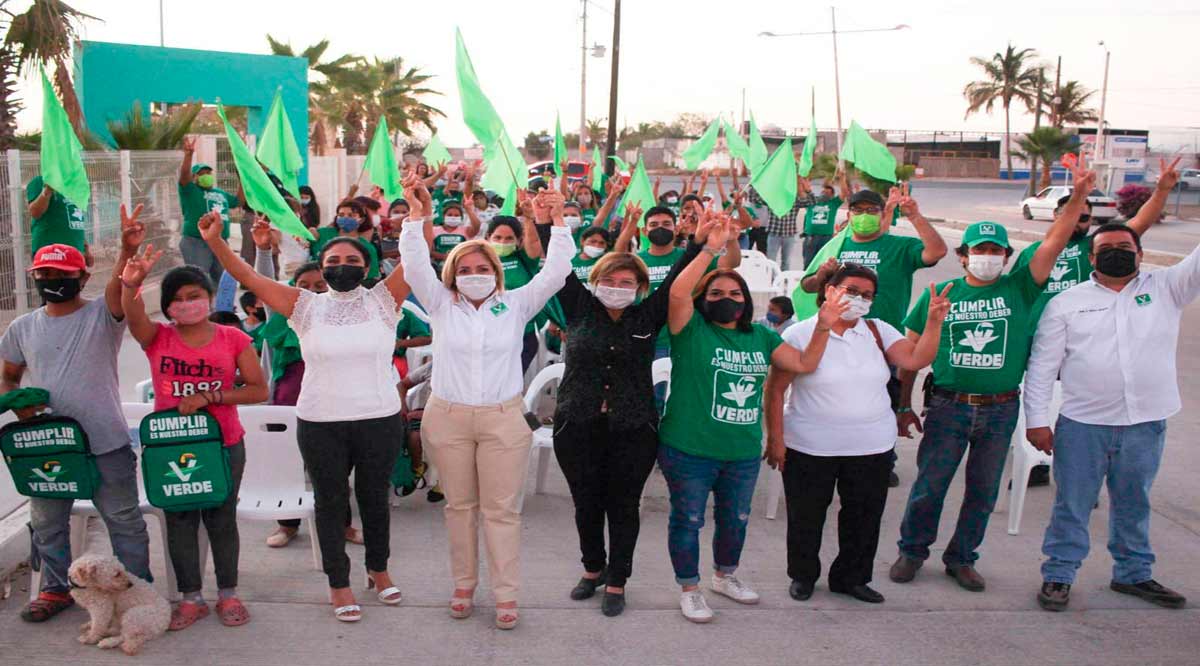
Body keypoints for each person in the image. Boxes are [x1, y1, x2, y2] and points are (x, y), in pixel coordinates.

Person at [888, 158, 1096, 593]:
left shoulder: (1020, 286)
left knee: (982, 492)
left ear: (1006, 256)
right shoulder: (939, 295)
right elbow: (910, 356)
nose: (986, 257)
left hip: (1000, 409)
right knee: (930, 485)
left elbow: (1055, 242)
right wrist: (904, 405)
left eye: (994, 251)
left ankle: (962, 558)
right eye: (978, 250)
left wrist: (1077, 197)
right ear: (963, 255)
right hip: (947, 405)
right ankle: (912, 550)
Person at [199, 205, 411, 623]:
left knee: (374, 501)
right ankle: (338, 584)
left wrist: (417, 217)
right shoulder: (303, 305)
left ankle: (379, 570)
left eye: (352, 261)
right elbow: (249, 278)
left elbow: (416, 259)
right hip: (320, 422)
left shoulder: (384, 300)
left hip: (380, 418)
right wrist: (216, 242)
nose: (343, 267)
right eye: (333, 261)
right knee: (330, 503)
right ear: (322, 267)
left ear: (368, 266)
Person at [399, 177, 575, 630]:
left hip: (502, 420)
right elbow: (415, 264)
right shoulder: (440, 304)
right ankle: (463, 584)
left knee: (501, 511)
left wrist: (557, 221)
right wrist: (417, 215)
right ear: (453, 274)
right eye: (465, 269)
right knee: (460, 508)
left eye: (482, 269)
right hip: (448, 418)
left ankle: (505, 593)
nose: (473, 275)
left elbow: (555, 272)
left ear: (496, 274)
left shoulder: (516, 304)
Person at [658, 212, 846, 623]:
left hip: (742, 451)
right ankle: (689, 587)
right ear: (703, 299)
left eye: (735, 292)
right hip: (689, 448)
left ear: (747, 301)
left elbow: (802, 364)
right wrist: (709, 248)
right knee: (687, 521)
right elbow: (676, 294)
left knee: (735, 521)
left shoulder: (760, 335)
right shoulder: (690, 329)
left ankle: (724, 576)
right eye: (717, 292)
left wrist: (823, 327)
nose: (727, 297)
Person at [546, 210, 715, 618]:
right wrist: (547, 222)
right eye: (608, 281)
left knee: (623, 505)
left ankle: (618, 579)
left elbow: (676, 280)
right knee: (585, 503)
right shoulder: (580, 309)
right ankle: (592, 569)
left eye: (626, 283)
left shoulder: (647, 315)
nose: (616, 288)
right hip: (576, 423)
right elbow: (556, 266)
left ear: (640, 288)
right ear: (594, 283)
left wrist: (701, 245)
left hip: (633, 426)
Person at [1026, 217, 1194, 611]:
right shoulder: (1066, 302)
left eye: (1125, 248)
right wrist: (1036, 420)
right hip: (1084, 424)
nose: (1116, 254)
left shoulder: (1167, 288)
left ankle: (1133, 574)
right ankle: (1059, 575)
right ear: (1091, 257)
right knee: (1073, 502)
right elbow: (1042, 367)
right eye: (1106, 250)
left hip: (1145, 423)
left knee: (1134, 500)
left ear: (1140, 253)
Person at [764, 264, 951, 604]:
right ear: (829, 291)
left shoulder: (878, 331)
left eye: (866, 295)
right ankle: (803, 575)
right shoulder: (800, 334)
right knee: (806, 516)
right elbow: (775, 390)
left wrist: (934, 323)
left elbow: (915, 359)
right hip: (810, 445)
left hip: (871, 446)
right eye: (851, 291)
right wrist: (776, 439)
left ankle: (851, 578)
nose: (859, 300)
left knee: (864, 518)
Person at [1, 206, 151, 623]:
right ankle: (55, 589)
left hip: (105, 442)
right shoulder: (22, 328)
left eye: (63, 275)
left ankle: (137, 592)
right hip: (47, 446)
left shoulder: (102, 315)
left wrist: (125, 250)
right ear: (34, 278)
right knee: (47, 523)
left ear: (83, 277)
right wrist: (18, 402)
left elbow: (117, 289)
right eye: (45, 276)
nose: (53, 282)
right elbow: (8, 376)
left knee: (124, 522)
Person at [119, 257, 268, 630]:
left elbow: (258, 389)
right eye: (178, 298)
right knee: (179, 519)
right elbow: (133, 316)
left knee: (221, 518)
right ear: (168, 306)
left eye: (194, 295)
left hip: (222, 445)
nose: (187, 303)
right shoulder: (158, 337)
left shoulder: (233, 338)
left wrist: (211, 397)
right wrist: (130, 284)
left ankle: (228, 594)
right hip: (170, 447)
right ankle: (191, 598)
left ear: (210, 297)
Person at [1010, 162, 1175, 486]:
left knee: (1079, 410)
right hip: (1039, 343)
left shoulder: (1096, 248)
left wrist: (1162, 191)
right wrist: (1078, 197)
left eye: (1086, 217)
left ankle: (1085, 471)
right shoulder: (1035, 253)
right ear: (1058, 216)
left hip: (1081, 342)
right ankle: (1035, 463)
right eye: (1073, 214)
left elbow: (1140, 221)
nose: (1079, 222)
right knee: (1036, 403)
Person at [804, 184, 948, 486]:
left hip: (883, 341)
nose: (864, 216)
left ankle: (882, 458)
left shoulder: (898, 247)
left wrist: (916, 217)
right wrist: (821, 274)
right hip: (836, 337)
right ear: (849, 213)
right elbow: (807, 285)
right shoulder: (837, 245)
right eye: (858, 210)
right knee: (834, 396)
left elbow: (936, 251)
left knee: (883, 399)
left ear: (883, 214)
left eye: (871, 210)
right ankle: (830, 456)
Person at [178, 136, 240, 286]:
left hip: (220, 241)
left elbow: (238, 202)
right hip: (196, 241)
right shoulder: (190, 190)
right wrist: (188, 156)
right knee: (200, 280)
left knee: (223, 280)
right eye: (202, 173)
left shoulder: (220, 193)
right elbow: (184, 176)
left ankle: (221, 307)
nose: (206, 175)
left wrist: (241, 179)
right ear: (194, 177)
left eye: (208, 173)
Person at [749, 177, 816, 271]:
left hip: (789, 235)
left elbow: (812, 202)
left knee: (786, 261)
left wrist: (808, 190)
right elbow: (754, 198)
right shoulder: (773, 199)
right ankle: (770, 280)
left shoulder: (794, 200)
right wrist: (755, 183)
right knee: (770, 261)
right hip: (774, 234)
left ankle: (783, 280)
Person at [25, 175, 90, 263]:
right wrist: (47, 191)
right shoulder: (40, 181)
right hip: (49, 254)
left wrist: (85, 249)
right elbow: (35, 212)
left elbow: (75, 220)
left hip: (75, 251)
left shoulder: (74, 186)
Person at [801, 172, 851, 268]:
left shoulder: (833, 203)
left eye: (827, 193)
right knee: (808, 264)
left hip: (826, 238)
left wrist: (842, 178)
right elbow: (804, 191)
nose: (824, 194)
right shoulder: (812, 201)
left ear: (832, 195)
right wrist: (803, 179)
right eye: (823, 192)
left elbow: (844, 192)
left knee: (824, 263)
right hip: (811, 237)